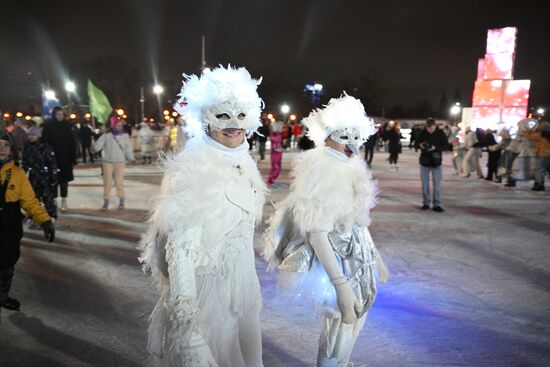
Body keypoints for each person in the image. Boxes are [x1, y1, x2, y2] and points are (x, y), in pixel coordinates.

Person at [139, 66, 267, 366]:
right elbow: (180, 249)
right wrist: (190, 330)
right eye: (223, 115)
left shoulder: (243, 160)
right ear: (205, 119)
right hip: (207, 297)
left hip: (243, 288)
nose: (234, 124)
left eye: (240, 115)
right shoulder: (193, 168)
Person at [263, 94, 388, 367]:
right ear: (328, 135)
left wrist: (375, 257)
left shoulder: (349, 165)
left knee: (352, 325)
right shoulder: (321, 166)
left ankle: (340, 363)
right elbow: (316, 231)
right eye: (344, 135)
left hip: (357, 259)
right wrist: (340, 284)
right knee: (339, 328)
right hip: (335, 263)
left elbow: (357, 220)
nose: (351, 143)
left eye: (356, 135)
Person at [0, 129, 55, 311]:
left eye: (6, 145)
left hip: (9, 227)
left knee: (7, 265)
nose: (2, 149)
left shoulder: (17, 173)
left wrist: (44, 220)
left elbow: (30, 201)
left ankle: (2, 296)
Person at [93, 117, 135, 210]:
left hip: (120, 162)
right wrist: (94, 148)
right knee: (107, 182)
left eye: (120, 125)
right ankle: (106, 200)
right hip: (107, 161)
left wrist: (131, 157)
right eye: (117, 125)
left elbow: (128, 148)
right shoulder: (106, 135)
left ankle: (121, 199)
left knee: (118, 181)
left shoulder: (125, 136)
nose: (119, 127)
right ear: (113, 125)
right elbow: (98, 145)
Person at [42, 106, 77, 212]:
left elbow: (72, 142)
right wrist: (46, 156)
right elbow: (45, 142)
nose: (60, 116)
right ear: (54, 114)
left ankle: (64, 199)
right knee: (53, 180)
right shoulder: (48, 126)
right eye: (58, 114)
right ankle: (54, 199)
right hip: (52, 158)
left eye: (62, 114)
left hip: (65, 158)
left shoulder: (67, 126)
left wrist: (73, 157)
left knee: (64, 181)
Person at [22, 126, 59, 219]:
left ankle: (51, 215)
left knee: (48, 198)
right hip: (33, 177)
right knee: (33, 198)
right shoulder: (27, 147)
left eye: (33, 134)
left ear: (38, 135)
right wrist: (23, 174)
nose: (31, 136)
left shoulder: (45, 147)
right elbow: (25, 162)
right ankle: (34, 215)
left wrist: (54, 176)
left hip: (45, 177)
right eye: (29, 134)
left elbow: (52, 163)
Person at [415, 118, 448, 212]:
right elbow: (416, 143)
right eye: (428, 128)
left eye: (432, 128)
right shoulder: (422, 132)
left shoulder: (440, 133)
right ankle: (426, 203)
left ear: (435, 126)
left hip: (436, 162)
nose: (430, 130)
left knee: (437, 185)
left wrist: (435, 147)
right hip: (424, 162)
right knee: (425, 185)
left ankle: (437, 204)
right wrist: (420, 145)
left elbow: (446, 146)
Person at [524, 121, 550, 191]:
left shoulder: (540, 134)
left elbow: (529, 137)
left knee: (539, 170)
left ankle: (540, 185)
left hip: (543, 154)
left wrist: (529, 130)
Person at [268, 120, 284, 187]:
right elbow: (274, 143)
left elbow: (279, 143)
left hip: (278, 153)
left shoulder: (278, 134)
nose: (281, 128)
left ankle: (273, 180)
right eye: (280, 127)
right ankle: (270, 182)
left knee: (279, 167)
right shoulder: (273, 135)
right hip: (275, 153)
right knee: (275, 167)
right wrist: (277, 148)